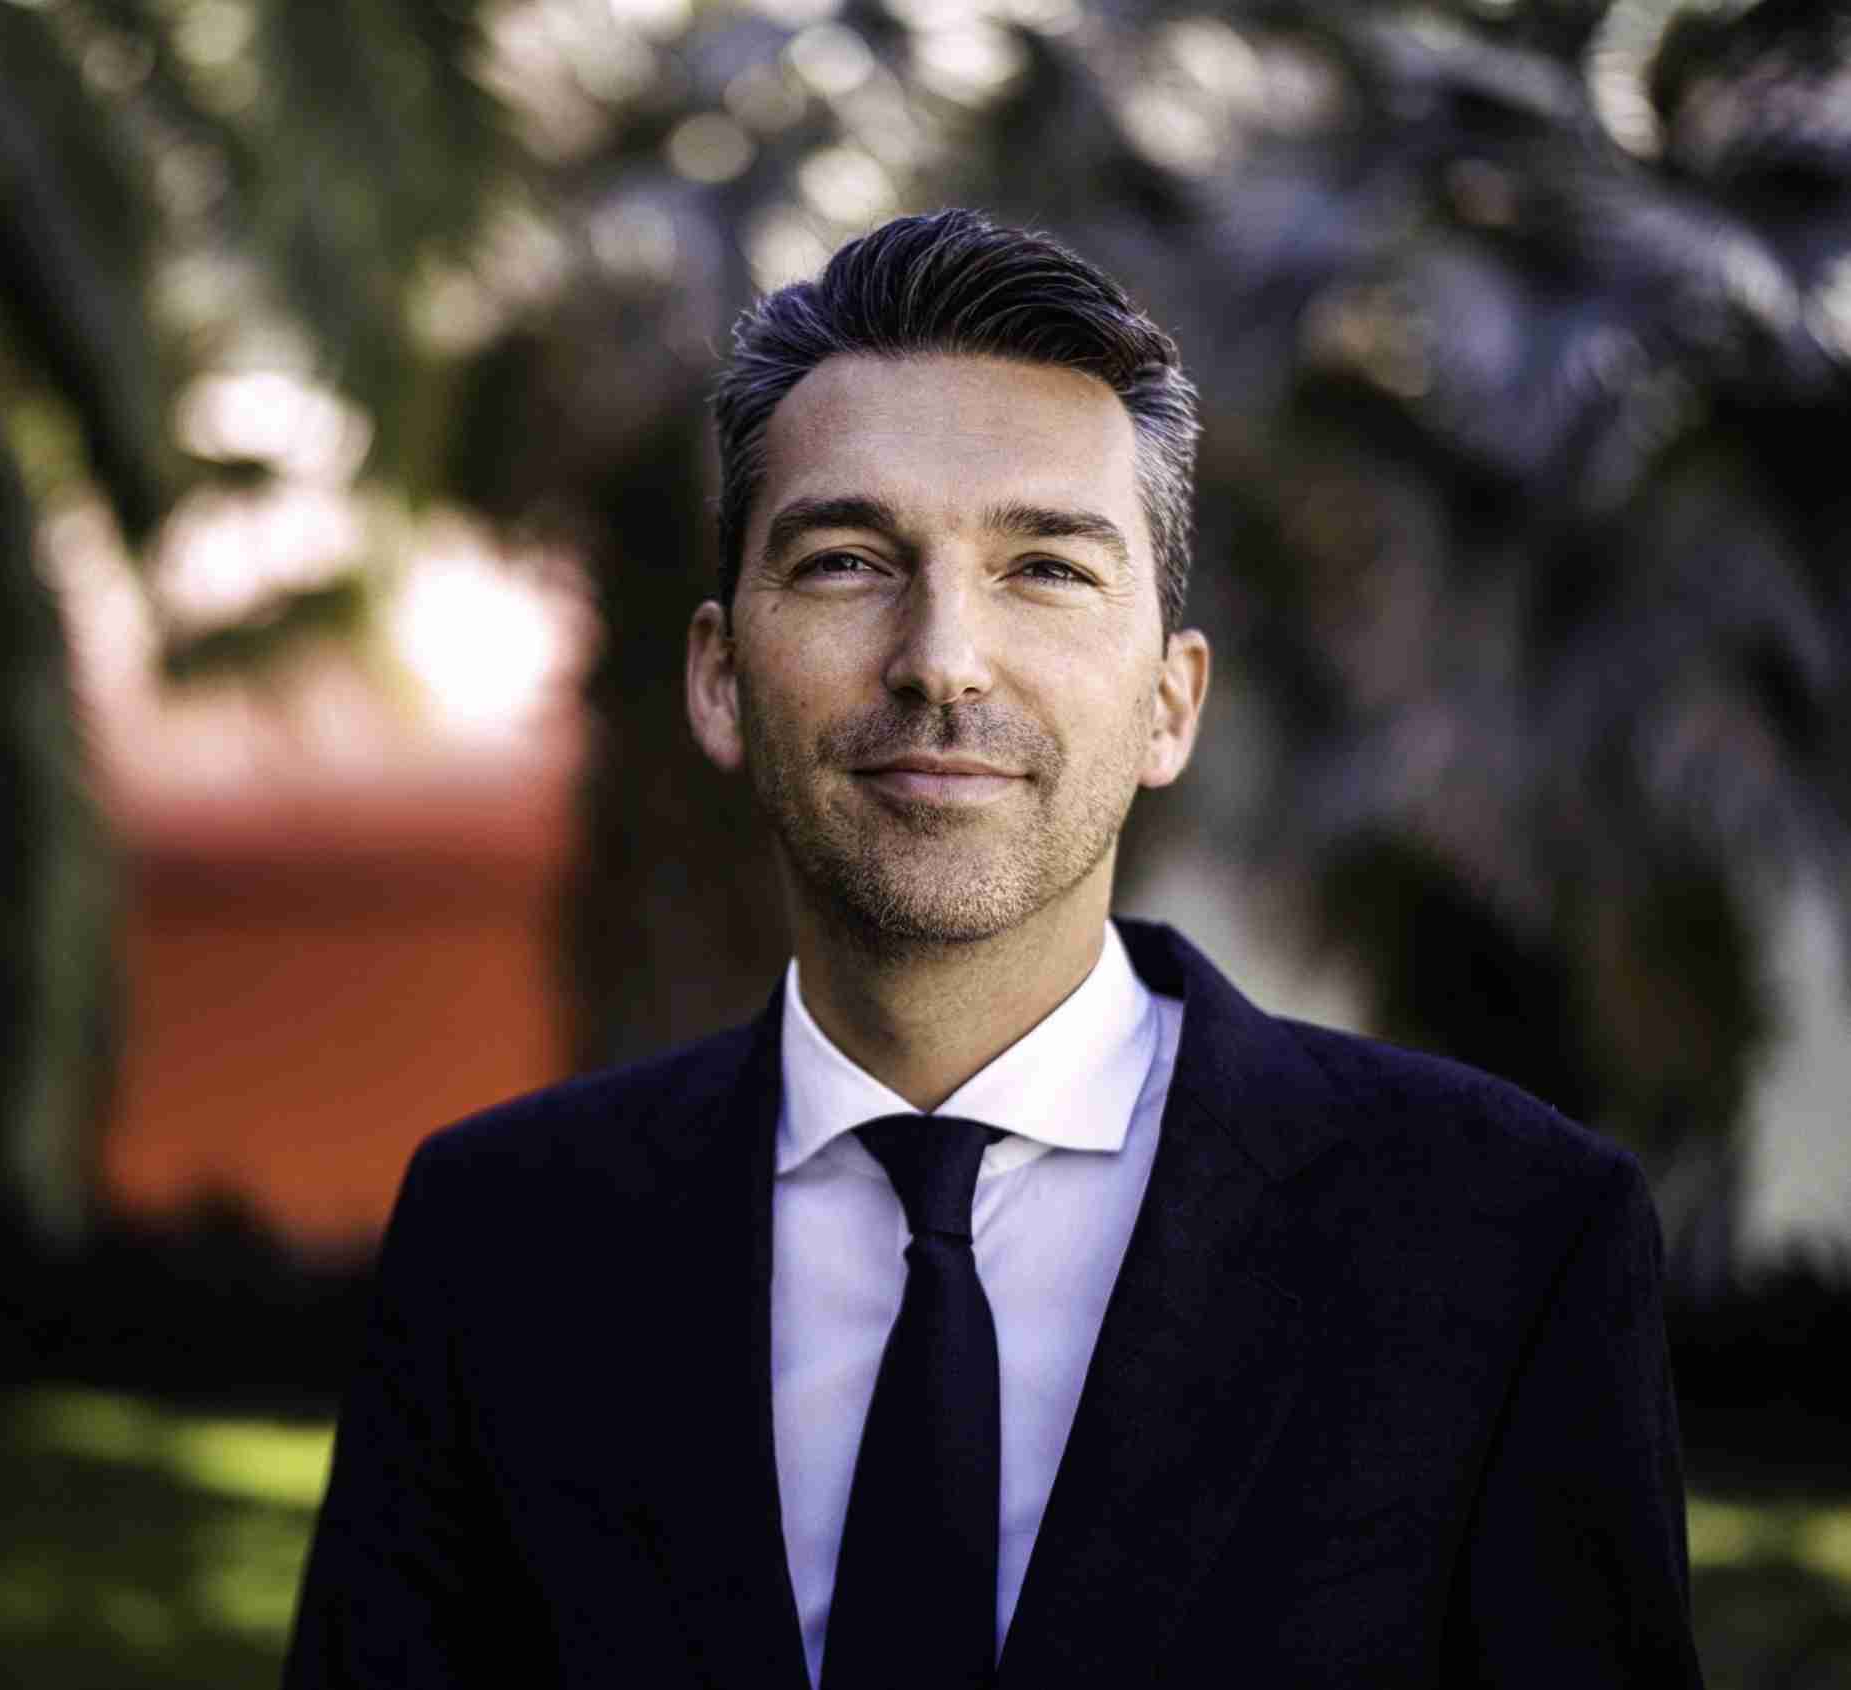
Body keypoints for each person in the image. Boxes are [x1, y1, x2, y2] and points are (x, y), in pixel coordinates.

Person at [283, 209, 1702, 1689]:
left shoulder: (1508, 1247)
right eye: (845, 560)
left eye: (1046, 569)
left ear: (1171, 701)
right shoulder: (499, 1246)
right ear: (717, 679)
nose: (943, 655)